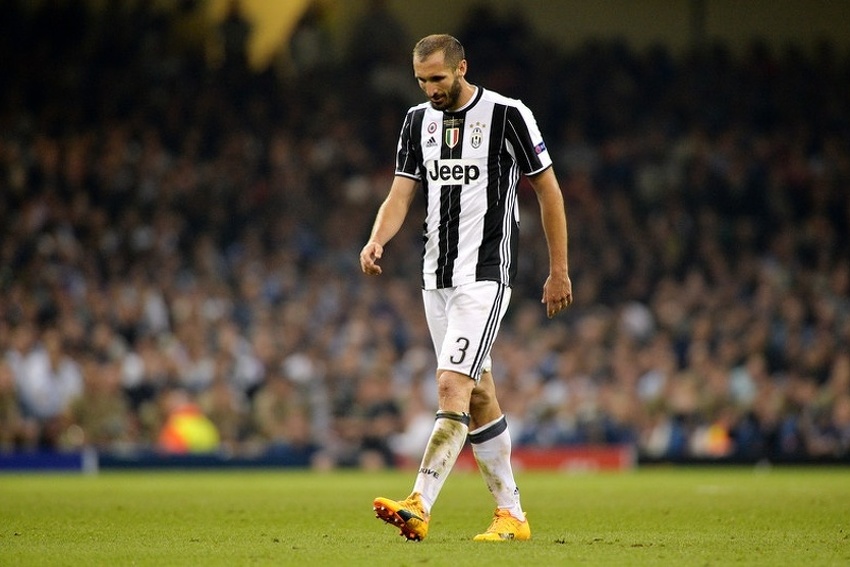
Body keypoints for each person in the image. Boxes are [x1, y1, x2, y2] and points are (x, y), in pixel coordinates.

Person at [359, 34, 572, 542]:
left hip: (485, 274)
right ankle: (512, 516)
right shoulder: (416, 122)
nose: (430, 89)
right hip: (435, 277)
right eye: (421, 80)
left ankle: (419, 502)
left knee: (451, 385)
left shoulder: (508, 115)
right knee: (478, 398)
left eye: (438, 78)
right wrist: (376, 239)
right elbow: (399, 194)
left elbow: (548, 190)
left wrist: (558, 269)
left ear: (461, 69)